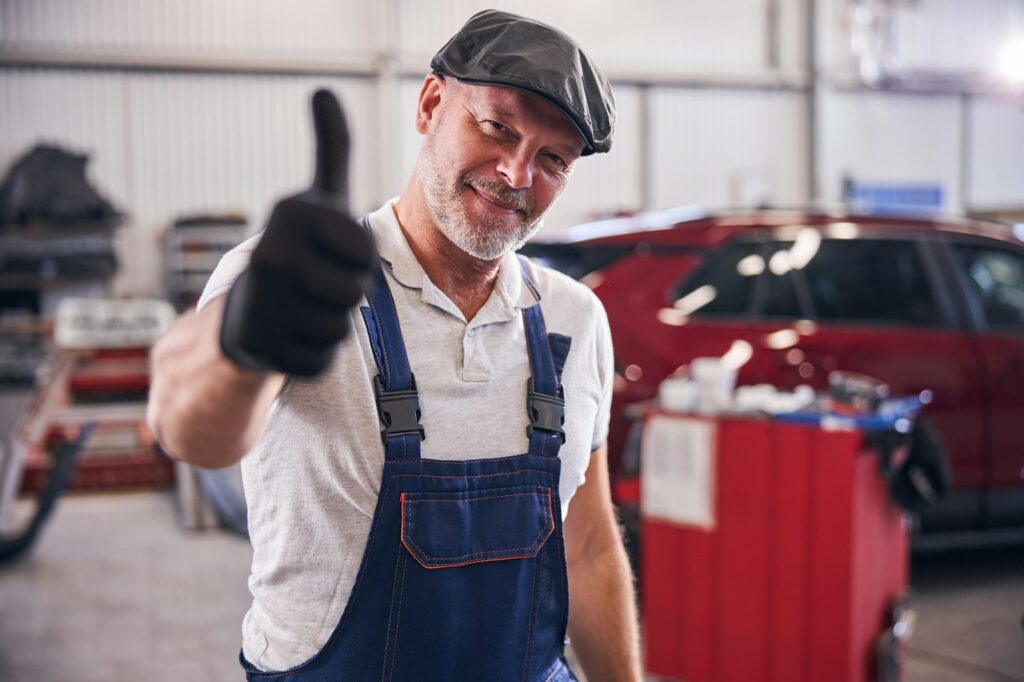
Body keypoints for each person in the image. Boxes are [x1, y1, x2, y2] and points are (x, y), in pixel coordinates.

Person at [147, 9, 640, 682]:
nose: (516, 173)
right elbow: (190, 435)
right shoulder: (297, 283)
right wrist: (243, 352)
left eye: (552, 159)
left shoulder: (574, 319)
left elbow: (585, 542)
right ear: (433, 103)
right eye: (498, 127)